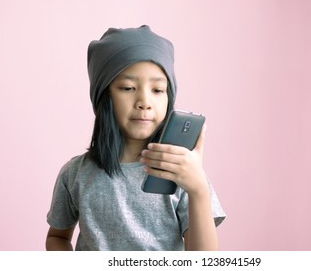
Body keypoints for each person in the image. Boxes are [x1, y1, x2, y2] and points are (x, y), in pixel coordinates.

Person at [46, 25, 226, 251]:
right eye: (128, 87)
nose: (144, 101)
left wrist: (198, 188)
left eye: (158, 90)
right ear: (104, 96)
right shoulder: (75, 174)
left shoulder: (183, 173)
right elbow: (58, 238)